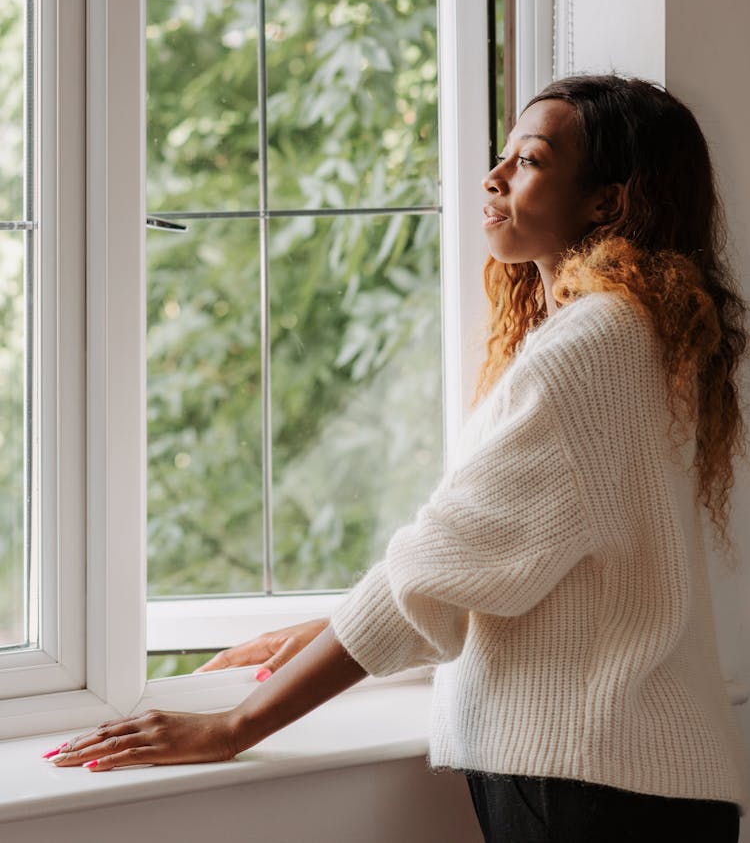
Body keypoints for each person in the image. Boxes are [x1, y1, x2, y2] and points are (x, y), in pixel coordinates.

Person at [48, 75, 747, 842]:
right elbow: (517, 566)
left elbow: (437, 568)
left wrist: (233, 727)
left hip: (594, 786)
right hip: (628, 781)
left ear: (606, 203)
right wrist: (326, 627)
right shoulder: (642, 336)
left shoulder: (592, 346)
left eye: (530, 160)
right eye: (502, 154)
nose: (493, 175)